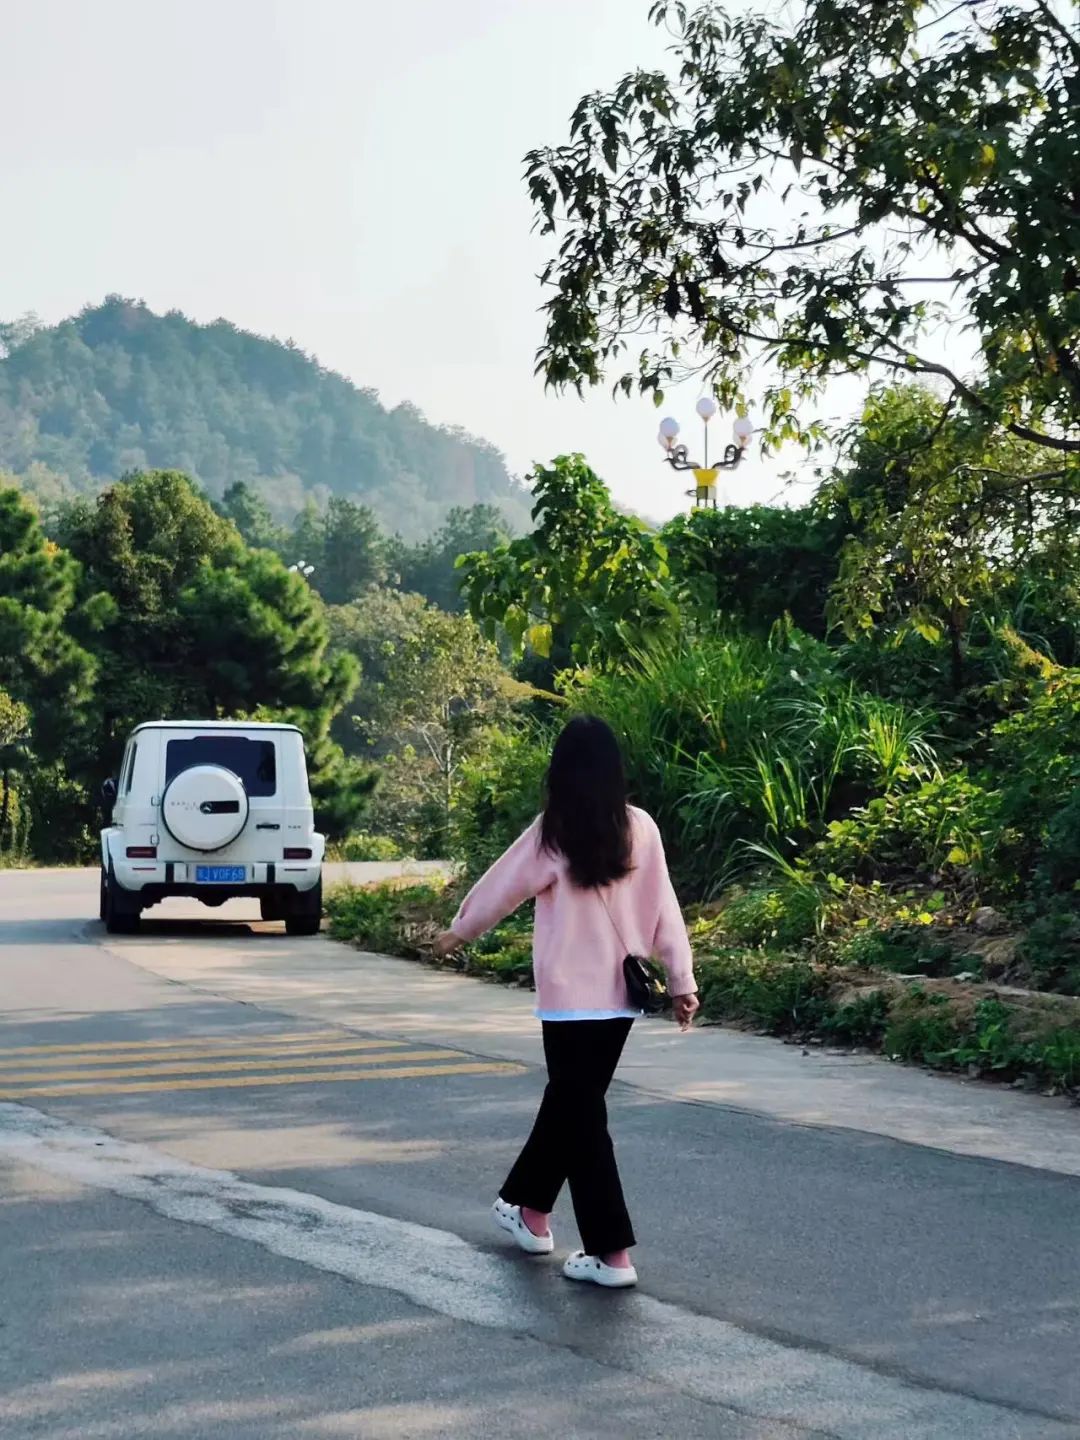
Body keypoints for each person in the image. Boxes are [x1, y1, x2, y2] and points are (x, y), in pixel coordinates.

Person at [434, 714, 699, 1290]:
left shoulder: (554, 830)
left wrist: (459, 932)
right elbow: (665, 908)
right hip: (618, 1001)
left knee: (581, 1117)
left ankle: (611, 1253)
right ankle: (527, 1210)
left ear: (561, 770)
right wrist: (682, 979)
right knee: (572, 1107)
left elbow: (503, 885)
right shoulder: (642, 830)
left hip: (566, 1001)